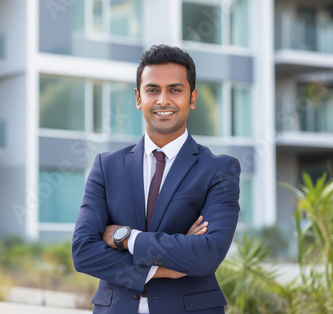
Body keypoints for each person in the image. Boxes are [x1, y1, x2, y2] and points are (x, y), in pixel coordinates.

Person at [72, 44, 240, 314]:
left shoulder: (219, 170)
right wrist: (162, 270)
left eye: (175, 90)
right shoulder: (107, 166)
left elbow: (207, 254)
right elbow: (83, 252)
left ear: (192, 98)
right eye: (153, 90)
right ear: (139, 98)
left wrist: (127, 238)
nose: (163, 100)